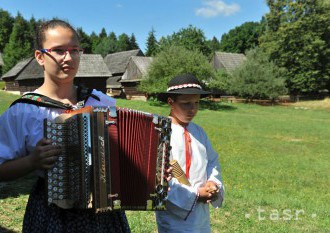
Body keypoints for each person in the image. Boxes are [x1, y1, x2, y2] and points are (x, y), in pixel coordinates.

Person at [0, 19, 130, 233]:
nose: (68, 58)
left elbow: (124, 154)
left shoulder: (102, 102)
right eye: (59, 51)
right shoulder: (23, 111)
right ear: (40, 57)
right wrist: (32, 161)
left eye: (74, 50)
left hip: (105, 215)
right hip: (53, 216)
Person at [156, 74, 224, 233]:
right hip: (174, 215)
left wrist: (213, 184)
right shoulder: (160, 133)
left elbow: (212, 161)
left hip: (201, 215)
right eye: (186, 103)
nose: (192, 109)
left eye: (196, 103)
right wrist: (195, 195)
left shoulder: (199, 132)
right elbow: (160, 179)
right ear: (171, 102)